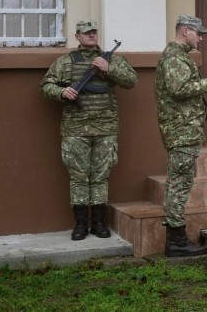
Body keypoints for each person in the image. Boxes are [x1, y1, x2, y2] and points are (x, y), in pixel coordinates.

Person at [40, 20, 138, 241]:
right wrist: (62, 92)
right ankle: (81, 224)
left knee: (101, 176)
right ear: (77, 36)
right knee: (79, 177)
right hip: (76, 129)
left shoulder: (111, 59)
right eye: (86, 33)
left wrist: (108, 69)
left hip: (105, 128)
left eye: (94, 32)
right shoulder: (65, 62)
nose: (91, 35)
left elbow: (132, 80)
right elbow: (46, 85)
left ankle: (99, 223)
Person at [155, 14, 207, 257]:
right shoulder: (174, 58)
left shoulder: (179, 57)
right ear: (185, 31)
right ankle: (176, 242)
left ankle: (177, 240)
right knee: (179, 185)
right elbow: (179, 89)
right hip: (181, 132)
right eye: (198, 33)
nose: (201, 39)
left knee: (180, 183)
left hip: (185, 131)